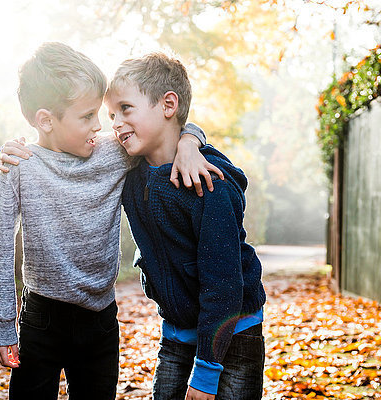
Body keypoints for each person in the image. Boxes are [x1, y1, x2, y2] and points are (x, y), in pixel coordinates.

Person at [0, 42, 221, 400]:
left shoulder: (115, 152)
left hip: (100, 320)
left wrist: (190, 142)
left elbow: (170, 126)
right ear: (45, 120)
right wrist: (3, 329)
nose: (100, 126)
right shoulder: (18, 168)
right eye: (86, 116)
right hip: (41, 318)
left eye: (99, 114)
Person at [104, 52, 266, 400]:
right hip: (178, 333)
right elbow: (73, 147)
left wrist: (206, 373)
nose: (115, 123)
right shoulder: (130, 172)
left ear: (168, 104)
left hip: (234, 333)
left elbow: (224, 285)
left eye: (126, 109)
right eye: (111, 115)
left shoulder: (209, 184)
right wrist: (25, 151)